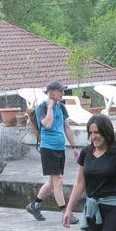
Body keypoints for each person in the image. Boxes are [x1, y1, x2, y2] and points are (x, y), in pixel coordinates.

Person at [25, 80, 80, 222]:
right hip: (48, 148)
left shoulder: (61, 107)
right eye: (60, 91)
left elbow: (67, 127)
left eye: (63, 90)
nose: (63, 93)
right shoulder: (42, 108)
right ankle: (66, 212)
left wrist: (74, 146)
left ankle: (34, 205)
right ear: (51, 93)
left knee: (52, 181)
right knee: (58, 179)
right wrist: (50, 107)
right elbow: (47, 124)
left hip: (60, 148)